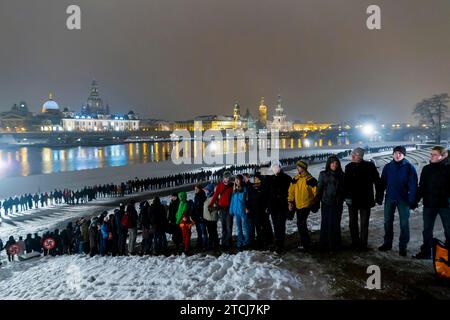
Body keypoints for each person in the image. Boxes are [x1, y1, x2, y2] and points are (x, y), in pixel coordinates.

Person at [378, 146, 418, 256]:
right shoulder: (388, 167)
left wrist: (412, 200)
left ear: (404, 155)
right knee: (387, 222)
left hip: (403, 200)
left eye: (400, 153)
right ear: (393, 154)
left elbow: (413, 186)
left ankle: (403, 246)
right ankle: (387, 243)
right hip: (390, 198)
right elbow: (382, 183)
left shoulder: (409, 167)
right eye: (396, 153)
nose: (397, 155)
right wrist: (380, 196)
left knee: (404, 224)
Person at [413, 146, 450, 259]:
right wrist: (416, 200)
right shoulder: (426, 169)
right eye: (431, 154)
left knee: (448, 230)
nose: (431, 156)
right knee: (427, 230)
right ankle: (426, 252)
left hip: (445, 205)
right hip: (429, 204)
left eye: (434, 154)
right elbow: (422, 186)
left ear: (443, 156)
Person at [344, 147, 383, 251]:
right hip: (352, 200)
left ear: (361, 156)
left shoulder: (370, 166)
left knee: (364, 223)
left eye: (355, 154)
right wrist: (347, 197)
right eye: (352, 154)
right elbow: (346, 184)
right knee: (352, 223)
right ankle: (354, 242)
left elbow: (377, 182)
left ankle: (363, 244)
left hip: (366, 200)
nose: (352, 156)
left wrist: (378, 196)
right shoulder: (348, 167)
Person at [316, 156, 345, 252]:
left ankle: (335, 245)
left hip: (337, 204)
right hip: (326, 203)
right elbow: (319, 189)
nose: (334, 165)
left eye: (336, 163)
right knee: (326, 224)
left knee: (336, 224)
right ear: (329, 164)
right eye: (332, 163)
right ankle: (325, 245)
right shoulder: (323, 174)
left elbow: (344, 189)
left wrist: (342, 198)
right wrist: (317, 201)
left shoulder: (342, 175)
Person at [265, 161, 292, 253]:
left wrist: (289, 203)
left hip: (282, 206)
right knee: (275, 225)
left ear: (280, 167)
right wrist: (268, 206)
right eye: (274, 167)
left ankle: (280, 245)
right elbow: (268, 194)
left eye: (277, 167)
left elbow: (290, 193)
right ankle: (277, 242)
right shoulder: (270, 179)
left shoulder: (287, 178)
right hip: (273, 206)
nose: (275, 169)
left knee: (281, 225)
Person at [208, 171, 234, 248]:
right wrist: (210, 204)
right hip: (221, 209)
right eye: (226, 177)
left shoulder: (232, 185)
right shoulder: (219, 186)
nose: (227, 179)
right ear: (223, 178)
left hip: (229, 209)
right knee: (223, 226)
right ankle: (223, 242)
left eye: (229, 177)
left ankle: (228, 242)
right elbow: (215, 196)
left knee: (229, 226)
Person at [229, 174, 250, 249]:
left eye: (238, 180)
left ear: (241, 180)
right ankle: (239, 241)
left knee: (245, 227)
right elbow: (232, 201)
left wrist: (247, 207)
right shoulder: (234, 189)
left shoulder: (244, 189)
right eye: (236, 180)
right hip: (236, 211)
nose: (237, 181)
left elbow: (247, 199)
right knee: (238, 228)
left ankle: (247, 242)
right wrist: (231, 210)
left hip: (242, 210)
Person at [203, 183, 219, 250]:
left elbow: (216, 207)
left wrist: (211, 209)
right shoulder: (208, 197)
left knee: (213, 232)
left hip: (212, 218)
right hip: (208, 218)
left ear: (210, 190)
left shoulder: (213, 197)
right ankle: (211, 244)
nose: (205, 191)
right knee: (210, 232)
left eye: (206, 190)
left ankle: (214, 245)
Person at [193, 184, 208, 249]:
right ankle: (200, 243)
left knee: (203, 231)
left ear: (200, 189)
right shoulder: (196, 196)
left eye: (196, 189)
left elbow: (202, 207)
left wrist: (201, 215)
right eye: (195, 189)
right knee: (199, 231)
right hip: (197, 216)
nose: (195, 190)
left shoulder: (202, 196)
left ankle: (205, 244)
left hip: (201, 216)